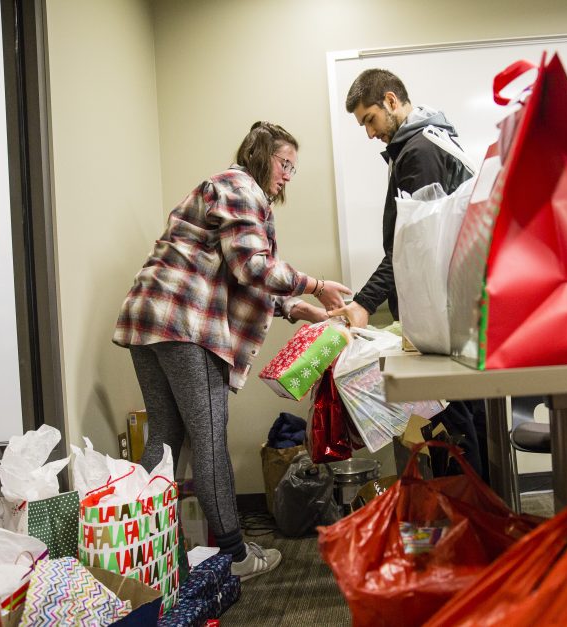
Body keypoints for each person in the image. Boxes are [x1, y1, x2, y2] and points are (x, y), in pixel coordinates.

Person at [113, 121, 351, 582]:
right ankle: (235, 555)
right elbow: (253, 266)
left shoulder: (222, 189)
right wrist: (317, 286)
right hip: (185, 323)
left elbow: (238, 267)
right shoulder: (241, 187)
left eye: (293, 170)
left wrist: (300, 308)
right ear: (261, 156)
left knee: (164, 436)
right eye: (285, 164)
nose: (286, 176)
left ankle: (142, 552)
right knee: (209, 439)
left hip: (149, 316)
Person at [329, 69, 487, 480]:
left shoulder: (419, 151)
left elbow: (413, 249)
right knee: (461, 417)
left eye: (370, 120)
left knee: (454, 425)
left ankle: (470, 520)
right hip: (456, 307)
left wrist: (364, 303)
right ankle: (477, 516)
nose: (368, 133)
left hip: (443, 311)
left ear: (391, 101)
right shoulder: (430, 138)